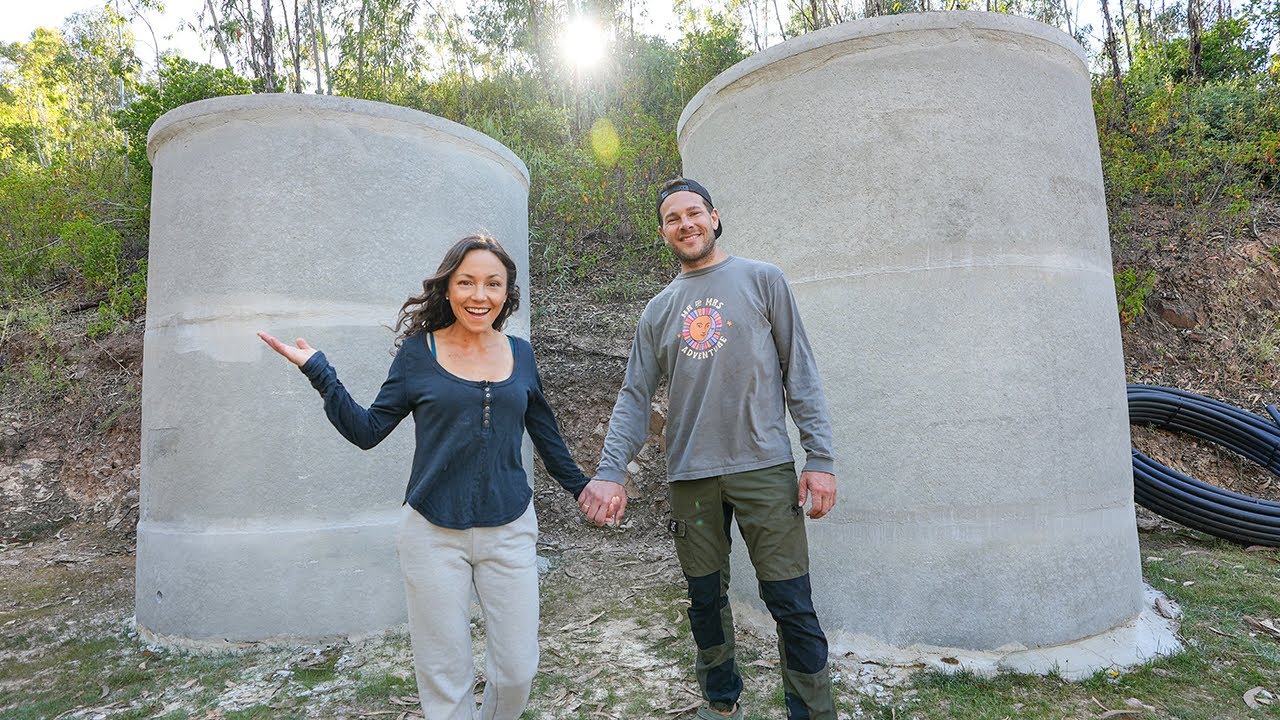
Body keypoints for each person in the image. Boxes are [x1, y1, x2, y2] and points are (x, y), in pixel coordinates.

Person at [258, 235, 591, 720]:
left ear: (506, 292)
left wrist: (583, 489)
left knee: (517, 670)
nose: (480, 295)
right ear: (448, 289)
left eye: (493, 284)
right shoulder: (418, 354)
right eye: (467, 283)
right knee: (445, 677)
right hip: (432, 533)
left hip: (510, 529)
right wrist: (320, 371)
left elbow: (545, 434)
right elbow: (368, 430)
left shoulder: (521, 353)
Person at [577, 178, 839, 720]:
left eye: (694, 213)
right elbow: (634, 396)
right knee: (705, 602)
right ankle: (722, 704)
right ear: (663, 232)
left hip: (764, 468)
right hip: (691, 477)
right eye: (673, 219)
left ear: (714, 217)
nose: (686, 224)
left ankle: (813, 712)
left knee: (790, 602)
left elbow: (801, 373)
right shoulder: (658, 310)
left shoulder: (763, 280)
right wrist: (610, 471)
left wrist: (820, 459)